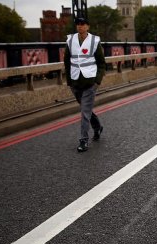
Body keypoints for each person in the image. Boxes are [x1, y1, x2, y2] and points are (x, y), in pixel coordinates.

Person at [64, 17, 105, 152]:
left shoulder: (94, 41)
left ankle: (83, 140)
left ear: (88, 26)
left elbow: (101, 63)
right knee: (85, 109)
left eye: (83, 24)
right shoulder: (70, 40)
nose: (80, 26)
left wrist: (97, 81)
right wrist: (69, 81)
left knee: (84, 112)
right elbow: (67, 62)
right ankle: (97, 126)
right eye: (78, 24)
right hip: (75, 82)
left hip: (90, 82)